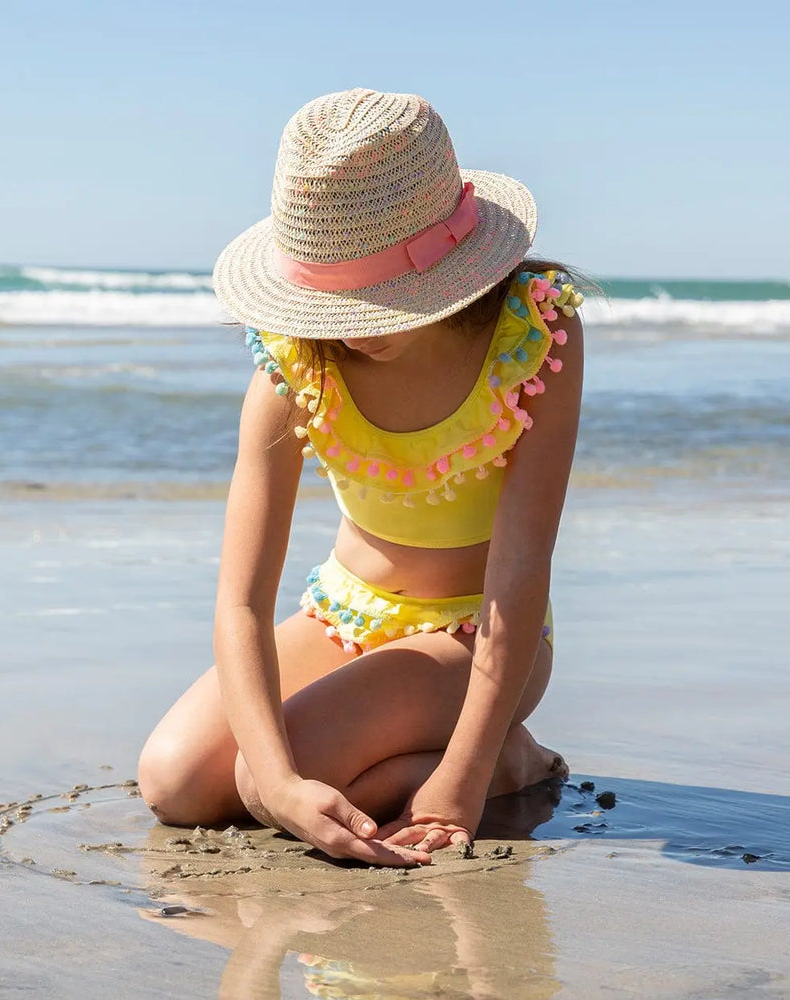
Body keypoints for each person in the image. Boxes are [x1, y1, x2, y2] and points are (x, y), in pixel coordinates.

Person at [138, 88, 585, 867]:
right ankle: (415, 762)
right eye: (337, 304)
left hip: (476, 635)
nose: (353, 331)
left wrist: (464, 779)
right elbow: (241, 600)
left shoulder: (534, 334)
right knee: (176, 783)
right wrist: (275, 784)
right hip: (344, 614)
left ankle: (507, 754)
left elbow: (520, 573)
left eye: (378, 304)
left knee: (267, 778)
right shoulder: (296, 357)